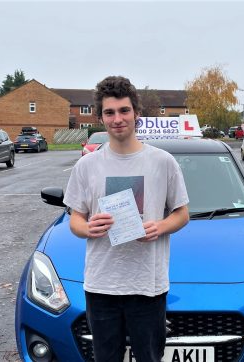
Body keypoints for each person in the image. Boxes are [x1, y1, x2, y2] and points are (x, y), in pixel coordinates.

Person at [63, 76, 189, 361]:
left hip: (148, 285)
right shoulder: (86, 165)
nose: (117, 119)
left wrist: (160, 226)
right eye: (109, 112)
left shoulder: (162, 162)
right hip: (101, 285)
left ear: (137, 114)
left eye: (124, 111)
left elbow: (182, 214)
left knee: (149, 357)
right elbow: (75, 220)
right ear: (100, 117)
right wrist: (87, 228)